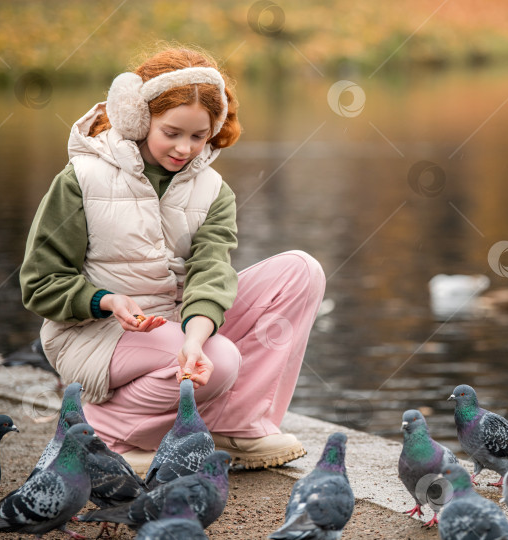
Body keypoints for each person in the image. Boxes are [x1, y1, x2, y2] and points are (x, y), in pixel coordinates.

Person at [19, 46, 326, 472]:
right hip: (95, 332)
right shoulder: (82, 178)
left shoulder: (214, 190)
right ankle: (109, 430)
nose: (185, 148)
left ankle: (230, 424)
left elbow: (210, 271)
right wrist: (106, 299)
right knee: (221, 362)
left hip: (176, 322)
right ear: (139, 117)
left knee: (300, 271)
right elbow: (40, 282)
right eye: (172, 132)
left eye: (198, 136)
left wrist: (195, 339)